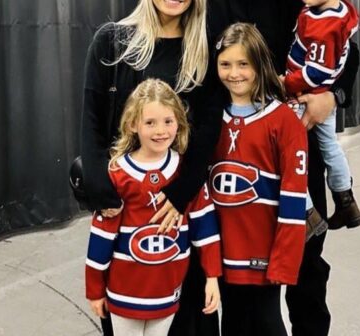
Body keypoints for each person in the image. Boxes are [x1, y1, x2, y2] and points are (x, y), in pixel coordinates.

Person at [205, 1, 360, 335]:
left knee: (306, 260)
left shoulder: (303, 2)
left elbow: (346, 49)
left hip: (297, 140)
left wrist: (334, 95)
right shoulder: (217, 5)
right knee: (239, 274)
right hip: (240, 146)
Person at [80, 0, 225, 335]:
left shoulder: (205, 47)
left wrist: (180, 194)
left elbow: (207, 130)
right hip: (128, 220)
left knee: (191, 322)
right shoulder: (112, 42)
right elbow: (92, 120)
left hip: (182, 214)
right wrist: (102, 192)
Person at [211, 23, 308, 336]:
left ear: (259, 65)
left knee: (267, 323)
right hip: (222, 252)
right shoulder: (210, 117)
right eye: (225, 64)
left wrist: (283, 260)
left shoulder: (283, 121)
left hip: (263, 254)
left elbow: (294, 200)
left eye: (244, 64)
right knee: (233, 324)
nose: (234, 73)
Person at [283, 0, 360, 231]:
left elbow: (323, 68)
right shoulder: (335, 10)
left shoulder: (326, 22)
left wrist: (332, 96)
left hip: (303, 94)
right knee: (327, 147)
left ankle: (308, 214)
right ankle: (346, 204)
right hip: (310, 91)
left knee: (290, 154)